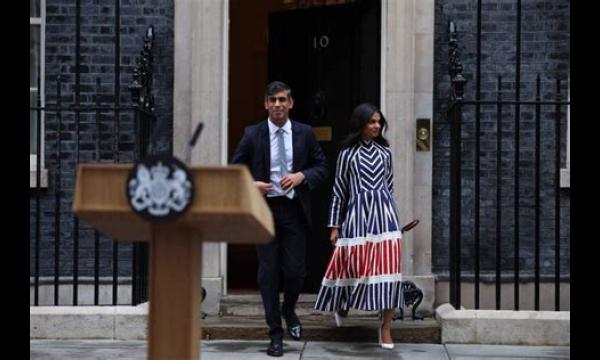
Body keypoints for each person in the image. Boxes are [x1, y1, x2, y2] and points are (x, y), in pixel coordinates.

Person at [231, 81, 328, 357]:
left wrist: (301, 176)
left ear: (291, 103)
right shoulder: (253, 134)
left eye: (282, 100)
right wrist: (252, 184)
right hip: (265, 210)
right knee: (268, 274)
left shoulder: (305, 133)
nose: (277, 105)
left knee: (295, 272)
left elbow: (322, 166)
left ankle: (289, 309)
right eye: (272, 100)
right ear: (265, 104)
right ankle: (275, 334)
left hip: (294, 210)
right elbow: (234, 171)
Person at [314, 103, 403, 350]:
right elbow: (339, 192)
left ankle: (385, 328)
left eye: (378, 122)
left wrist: (394, 218)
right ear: (361, 124)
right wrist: (334, 226)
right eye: (371, 122)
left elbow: (391, 187)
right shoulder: (347, 155)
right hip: (356, 217)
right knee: (352, 265)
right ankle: (343, 304)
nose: (376, 126)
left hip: (385, 218)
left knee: (388, 269)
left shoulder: (386, 153)